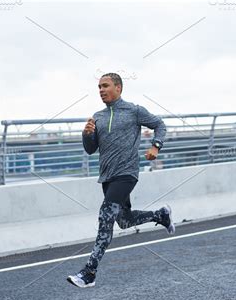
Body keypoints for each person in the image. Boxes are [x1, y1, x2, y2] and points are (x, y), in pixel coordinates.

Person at [67, 73, 175, 288]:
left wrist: (156, 146)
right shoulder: (97, 116)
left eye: (105, 86)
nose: (101, 90)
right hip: (107, 177)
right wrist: (86, 134)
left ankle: (89, 272)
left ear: (119, 88)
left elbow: (160, 125)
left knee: (105, 217)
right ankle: (161, 215)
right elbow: (90, 150)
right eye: (98, 87)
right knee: (123, 221)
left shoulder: (134, 111)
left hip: (126, 174)